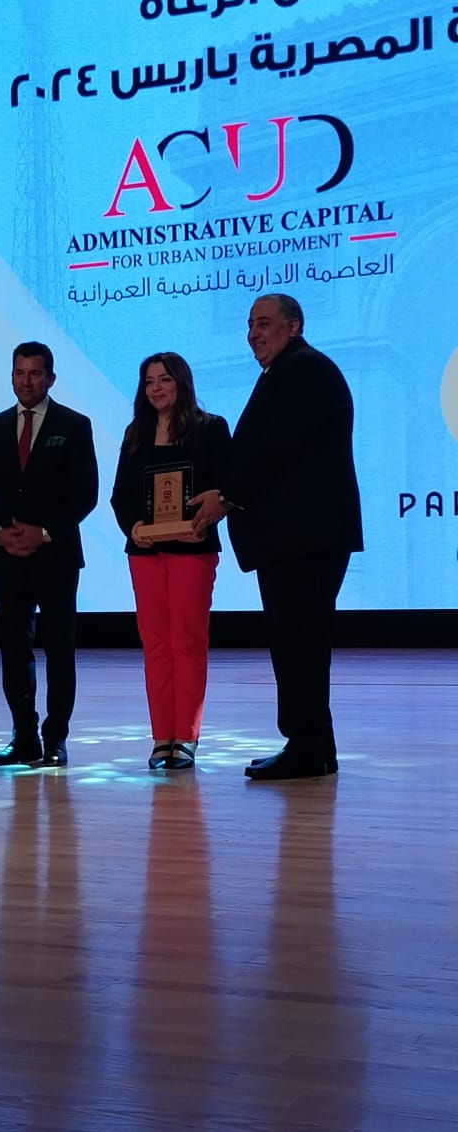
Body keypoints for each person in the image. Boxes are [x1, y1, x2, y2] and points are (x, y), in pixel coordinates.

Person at [191, 294, 363, 780]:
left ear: (294, 326)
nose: (253, 333)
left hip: (303, 539)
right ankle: (313, 747)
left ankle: (308, 748)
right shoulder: (288, 371)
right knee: (297, 644)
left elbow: (274, 449)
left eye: (264, 323)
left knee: (299, 644)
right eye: (250, 325)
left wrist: (225, 497)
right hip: (297, 538)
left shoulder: (303, 370)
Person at [0, 341, 98, 767]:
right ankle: (24, 738)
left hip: (56, 555)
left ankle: (55, 739)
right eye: (19, 373)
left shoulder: (74, 425)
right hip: (6, 558)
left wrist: (43, 533)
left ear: (50, 378)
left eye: (35, 373)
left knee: (59, 649)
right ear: (11, 377)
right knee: (13, 649)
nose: (26, 381)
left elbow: (86, 494)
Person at [111, 353, 231, 770]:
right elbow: (120, 496)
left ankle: (187, 737)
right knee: (156, 645)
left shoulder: (211, 429)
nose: (156, 388)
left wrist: (206, 518)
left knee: (187, 641)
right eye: (149, 382)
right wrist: (133, 528)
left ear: (182, 382)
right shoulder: (135, 433)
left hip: (192, 550)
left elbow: (226, 488)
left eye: (164, 379)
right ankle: (162, 736)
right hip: (145, 552)